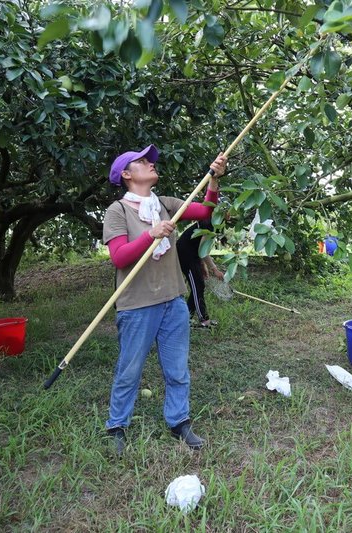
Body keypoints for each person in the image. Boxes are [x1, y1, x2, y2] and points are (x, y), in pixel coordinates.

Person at [102, 144, 227, 453]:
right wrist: (151, 235)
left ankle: (179, 421)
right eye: (143, 162)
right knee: (129, 370)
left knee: (177, 369)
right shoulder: (117, 211)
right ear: (127, 175)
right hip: (137, 306)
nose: (151, 164)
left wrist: (214, 180)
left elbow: (206, 211)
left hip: (172, 302)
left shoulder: (166, 204)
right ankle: (117, 425)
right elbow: (119, 258)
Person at [177, 219, 225, 328]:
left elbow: (201, 248)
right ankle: (204, 320)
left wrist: (203, 266)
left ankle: (187, 318)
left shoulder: (212, 224)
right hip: (186, 256)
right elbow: (202, 251)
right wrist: (214, 269)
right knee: (197, 286)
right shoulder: (207, 224)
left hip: (193, 255)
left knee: (199, 285)